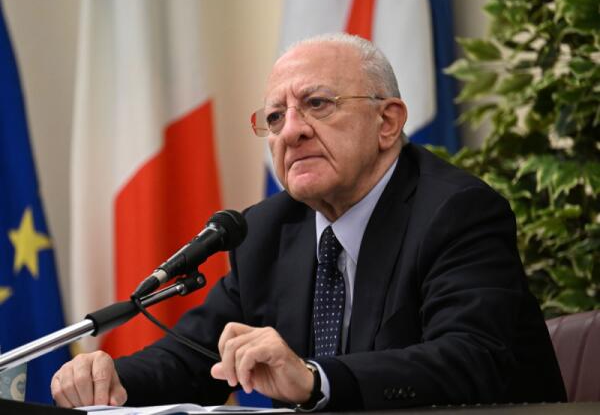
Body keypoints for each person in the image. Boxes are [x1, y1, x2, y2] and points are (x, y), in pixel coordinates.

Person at [51, 33, 566, 410]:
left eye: (317, 104)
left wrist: (316, 379)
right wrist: (112, 378)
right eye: (275, 117)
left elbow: (471, 359)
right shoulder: (265, 231)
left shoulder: (455, 211)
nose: (291, 131)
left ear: (387, 122)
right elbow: (194, 357)